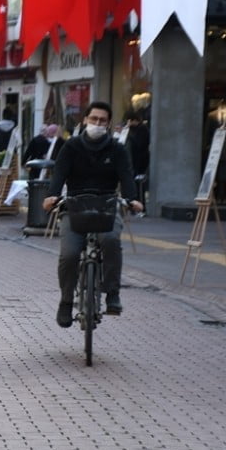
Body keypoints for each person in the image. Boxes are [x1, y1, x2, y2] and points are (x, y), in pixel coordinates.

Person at [42, 101, 144, 328]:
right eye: (93, 119)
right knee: (69, 254)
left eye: (102, 120)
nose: (97, 124)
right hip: (75, 205)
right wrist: (52, 196)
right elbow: (59, 174)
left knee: (110, 241)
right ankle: (67, 301)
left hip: (107, 205)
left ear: (108, 124)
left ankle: (112, 294)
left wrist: (132, 198)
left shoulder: (117, 149)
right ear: (85, 120)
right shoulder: (71, 147)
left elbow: (126, 176)